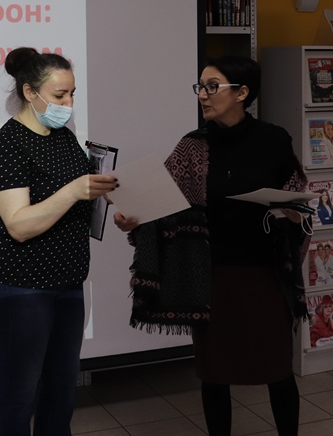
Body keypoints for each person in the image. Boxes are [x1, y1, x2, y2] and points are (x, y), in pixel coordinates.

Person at [114, 56, 310, 436]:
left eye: (212, 86)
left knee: (278, 369)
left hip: (264, 275)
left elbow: (298, 193)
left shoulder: (274, 139)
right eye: (200, 87)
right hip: (210, 277)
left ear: (242, 93)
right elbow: (160, 203)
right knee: (214, 373)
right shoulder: (192, 147)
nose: (202, 95)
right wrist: (134, 218)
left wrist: (294, 212)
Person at [0, 46, 117, 435]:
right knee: (20, 391)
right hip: (21, 285)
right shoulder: (6, 145)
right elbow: (18, 225)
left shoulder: (63, 138)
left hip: (67, 279)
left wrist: (108, 204)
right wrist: (73, 191)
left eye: (72, 94)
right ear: (29, 92)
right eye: (59, 95)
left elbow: (77, 202)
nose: (68, 104)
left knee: (61, 387)